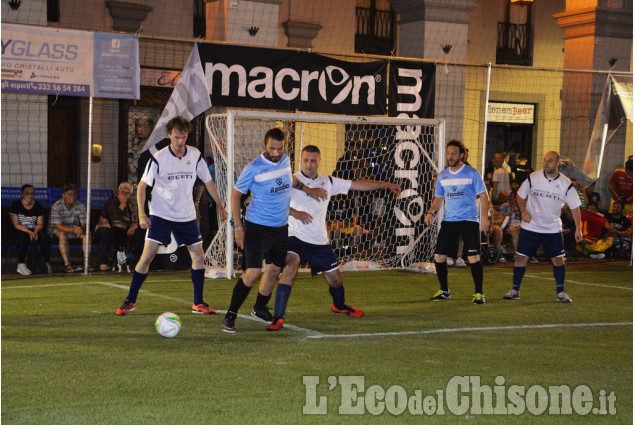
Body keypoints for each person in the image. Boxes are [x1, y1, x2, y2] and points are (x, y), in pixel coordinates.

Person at [266, 145, 402, 330]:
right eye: (306, 160)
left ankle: (339, 306)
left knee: (336, 281)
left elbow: (357, 184)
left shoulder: (328, 181)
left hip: (319, 241)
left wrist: (386, 185)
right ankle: (278, 317)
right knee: (291, 266)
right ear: (301, 160)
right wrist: (295, 212)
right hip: (294, 236)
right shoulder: (291, 180)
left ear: (319, 161)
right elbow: (272, 204)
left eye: (313, 160)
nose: (309, 164)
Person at [116, 116, 228, 316]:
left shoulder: (195, 155)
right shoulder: (159, 158)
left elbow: (209, 182)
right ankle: (129, 301)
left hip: (186, 215)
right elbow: (141, 187)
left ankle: (198, 303)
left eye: (183, 137)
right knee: (146, 256)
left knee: (198, 256)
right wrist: (142, 214)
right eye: (176, 137)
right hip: (161, 214)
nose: (180, 142)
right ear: (169, 136)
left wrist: (220, 205)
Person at [220, 128, 327, 333]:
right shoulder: (254, 168)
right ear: (264, 145)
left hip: (280, 228)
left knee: (275, 270)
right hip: (257, 228)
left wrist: (310, 190)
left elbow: (291, 181)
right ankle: (230, 316)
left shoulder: (286, 161)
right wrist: (238, 227)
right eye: (272, 148)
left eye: (279, 148)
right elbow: (235, 196)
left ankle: (259, 307)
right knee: (251, 275)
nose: (276, 153)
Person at [502, 151, 584, 302]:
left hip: (552, 228)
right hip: (530, 226)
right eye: (545, 160)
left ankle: (560, 292)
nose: (546, 163)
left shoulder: (566, 184)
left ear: (558, 163)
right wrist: (523, 210)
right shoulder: (533, 177)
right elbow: (520, 196)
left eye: (550, 161)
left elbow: (575, 207)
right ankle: (515, 290)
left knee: (558, 260)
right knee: (521, 258)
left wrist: (578, 228)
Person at [424, 140, 490, 304]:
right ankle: (445, 291)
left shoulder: (472, 173)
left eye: (454, 153)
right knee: (439, 256)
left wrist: (484, 218)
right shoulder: (442, 175)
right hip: (449, 221)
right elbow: (439, 198)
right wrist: (431, 212)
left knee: (473, 257)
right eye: (448, 153)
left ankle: (479, 293)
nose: (450, 156)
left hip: (468, 220)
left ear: (461, 155)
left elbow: (484, 196)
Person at [94, 182, 139, 271]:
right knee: (105, 232)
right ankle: (103, 263)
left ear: (130, 195)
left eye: (127, 193)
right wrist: (122, 205)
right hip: (108, 228)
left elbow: (136, 221)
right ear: (118, 192)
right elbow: (113, 216)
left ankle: (139, 262)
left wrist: (133, 228)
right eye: (122, 192)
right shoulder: (111, 202)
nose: (124, 195)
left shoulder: (131, 206)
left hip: (123, 231)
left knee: (139, 233)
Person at [9, 184, 52, 275]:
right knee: (23, 237)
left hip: (34, 229)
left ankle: (45, 262)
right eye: (27, 193)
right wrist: (29, 232)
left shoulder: (38, 206)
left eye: (32, 193)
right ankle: (21, 264)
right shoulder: (16, 205)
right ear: (22, 194)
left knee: (45, 238)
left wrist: (35, 232)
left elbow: (40, 223)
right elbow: (16, 225)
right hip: (20, 230)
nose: (30, 195)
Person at [47, 183, 88, 273]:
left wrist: (81, 229)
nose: (72, 197)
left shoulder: (80, 206)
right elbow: (58, 226)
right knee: (62, 234)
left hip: (75, 229)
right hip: (56, 230)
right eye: (70, 195)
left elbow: (84, 223)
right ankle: (67, 264)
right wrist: (73, 230)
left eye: (74, 195)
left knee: (87, 234)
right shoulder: (56, 206)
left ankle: (86, 263)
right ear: (63, 195)